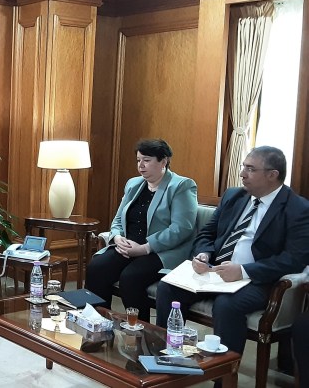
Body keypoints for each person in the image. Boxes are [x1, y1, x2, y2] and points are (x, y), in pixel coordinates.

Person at [156, 146, 309, 357]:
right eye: (243, 167)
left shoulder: (298, 209)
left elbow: (294, 259)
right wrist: (204, 254)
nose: (242, 174)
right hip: (214, 272)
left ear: (272, 175)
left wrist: (244, 271)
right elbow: (207, 233)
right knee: (168, 288)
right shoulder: (234, 196)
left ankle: (225, 371)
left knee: (227, 306)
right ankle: (168, 355)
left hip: (257, 280)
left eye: (250, 169)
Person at [85, 139, 197, 323]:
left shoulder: (181, 186)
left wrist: (145, 248)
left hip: (160, 250)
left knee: (131, 278)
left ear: (163, 161)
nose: (141, 165)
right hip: (129, 246)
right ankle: (98, 322)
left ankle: (140, 330)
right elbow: (118, 219)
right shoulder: (133, 184)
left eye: (146, 160)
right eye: (138, 160)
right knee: (97, 267)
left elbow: (181, 228)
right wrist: (117, 237)